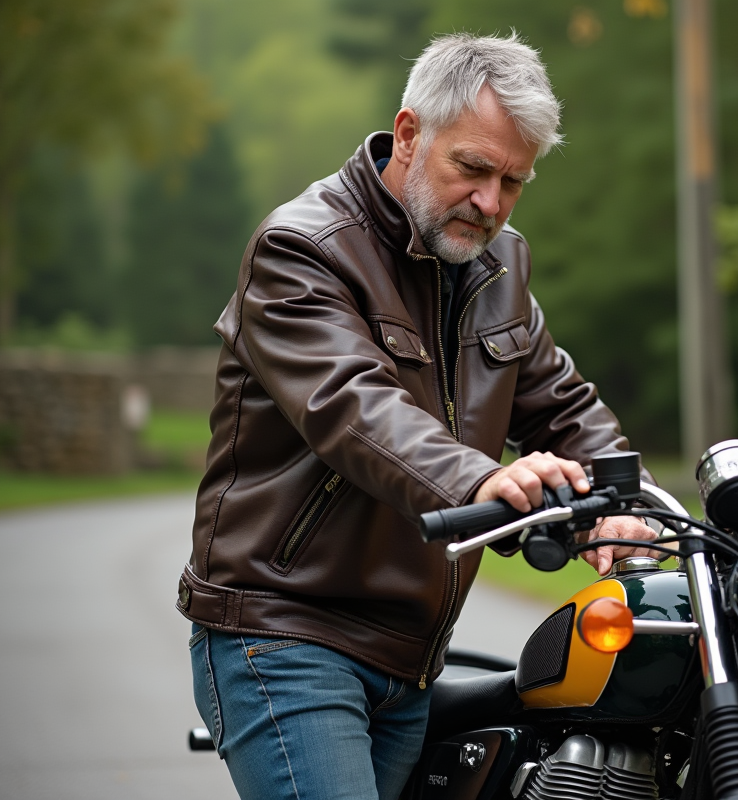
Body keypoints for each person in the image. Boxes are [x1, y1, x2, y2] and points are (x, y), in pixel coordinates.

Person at [178, 32, 655, 800]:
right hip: (284, 633)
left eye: (513, 181)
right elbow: (354, 408)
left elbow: (563, 406)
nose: (492, 202)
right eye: (473, 168)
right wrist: (482, 481)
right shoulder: (303, 249)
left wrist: (629, 509)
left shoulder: (499, 265)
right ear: (408, 134)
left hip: (412, 659)